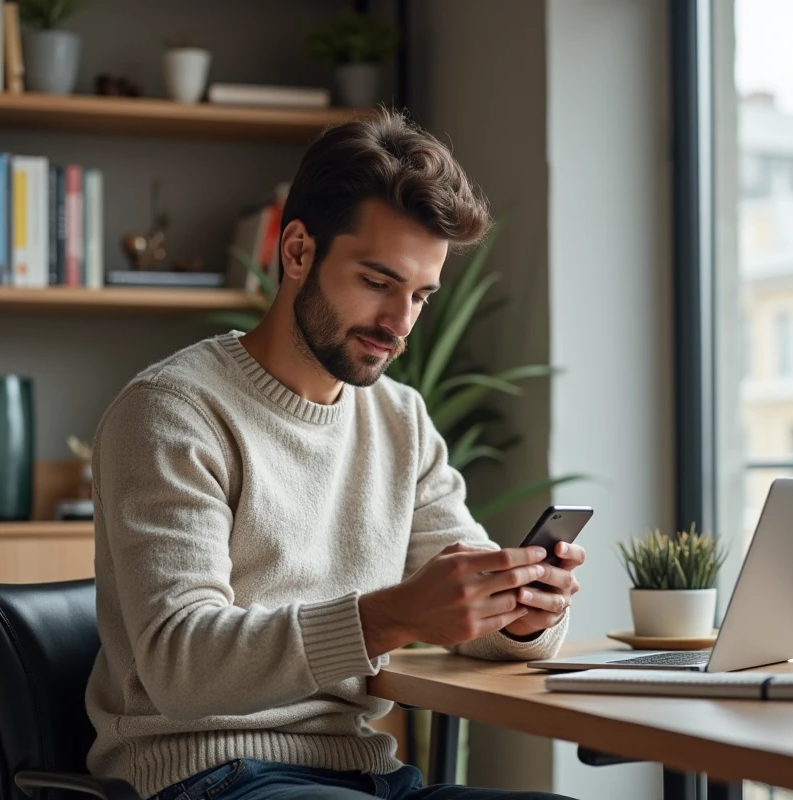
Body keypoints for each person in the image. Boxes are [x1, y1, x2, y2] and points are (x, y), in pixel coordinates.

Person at [85, 107, 587, 800]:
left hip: (365, 776)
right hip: (208, 774)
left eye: (420, 295)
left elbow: (462, 603)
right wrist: (394, 615)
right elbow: (182, 664)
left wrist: (526, 612)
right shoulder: (172, 411)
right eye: (378, 283)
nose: (399, 323)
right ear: (297, 252)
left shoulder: (400, 419)